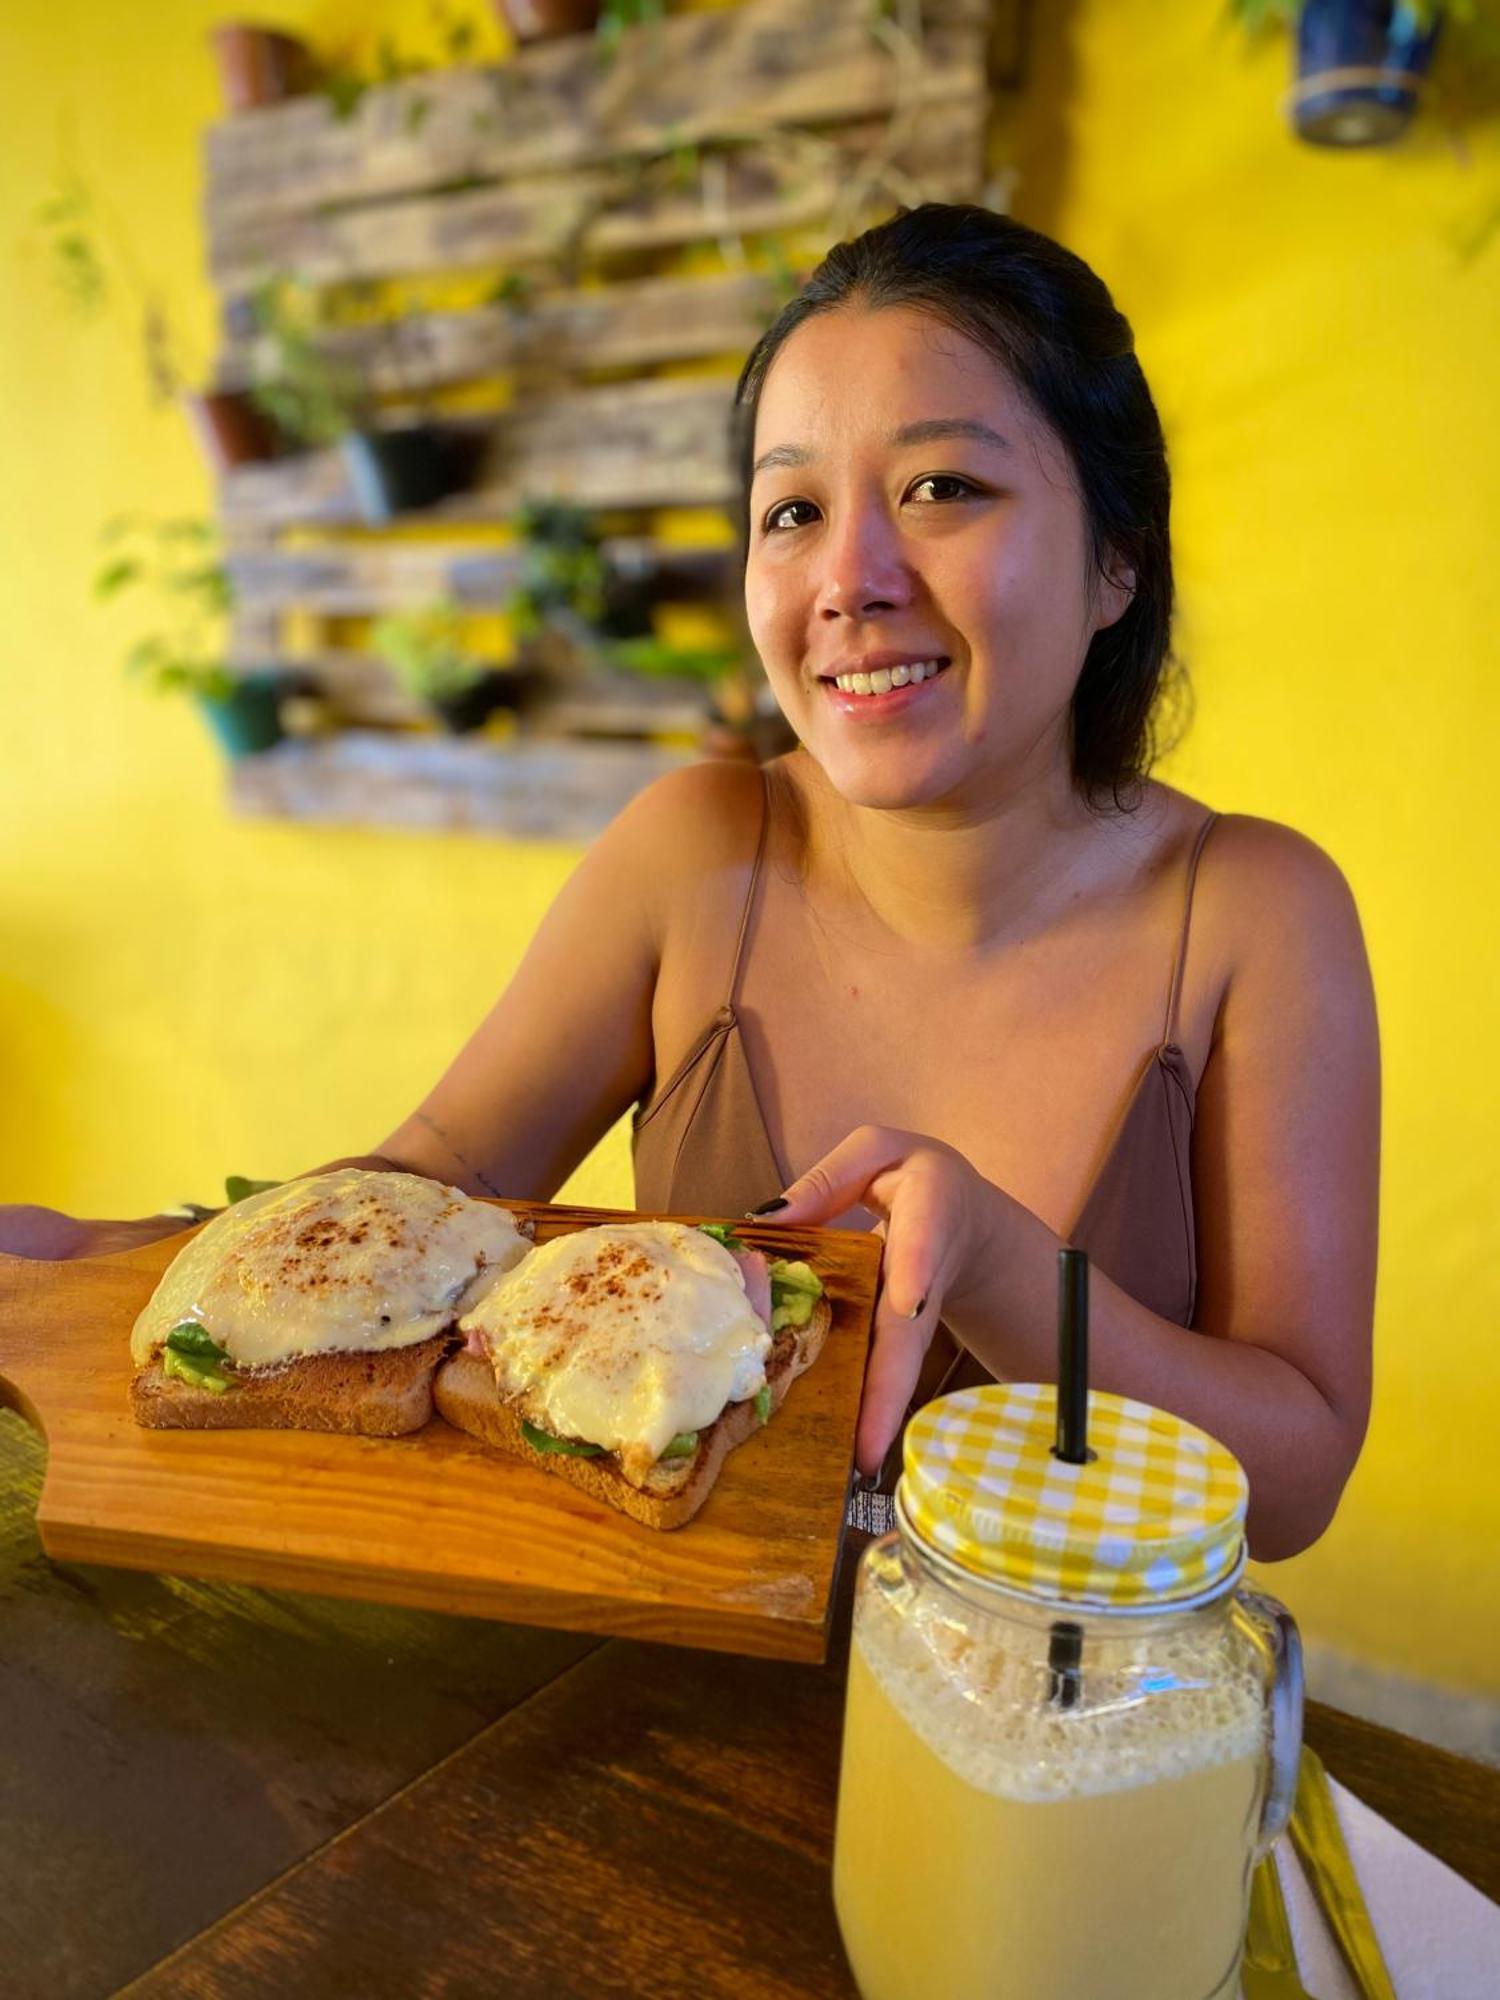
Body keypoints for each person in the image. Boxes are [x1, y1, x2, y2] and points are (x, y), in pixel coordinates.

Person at [1, 205, 1378, 1563]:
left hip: (1045, 1731)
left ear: (1117, 556)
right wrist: (108, 1255)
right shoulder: (691, 849)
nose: (850, 578)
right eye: (793, 509)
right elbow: (438, 1187)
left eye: (943, 488)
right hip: (652, 1674)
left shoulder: (1256, 913)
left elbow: (1298, 1478)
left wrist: (1013, 1278)